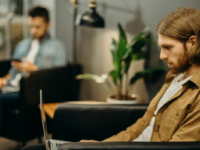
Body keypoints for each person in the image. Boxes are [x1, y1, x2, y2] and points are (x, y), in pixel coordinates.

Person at [81, 7, 200, 142]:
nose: (162, 55)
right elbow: (143, 125)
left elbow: (178, 147)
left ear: (192, 43)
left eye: (168, 47)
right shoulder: (175, 77)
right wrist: (102, 146)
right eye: (161, 47)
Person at [0, 6, 67, 134]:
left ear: (48, 24)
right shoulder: (23, 45)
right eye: (31, 26)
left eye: (37, 27)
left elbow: (59, 77)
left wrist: (34, 70)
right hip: (11, 86)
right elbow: (12, 71)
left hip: (32, 92)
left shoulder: (58, 47)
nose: (33, 30)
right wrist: (3, 80)